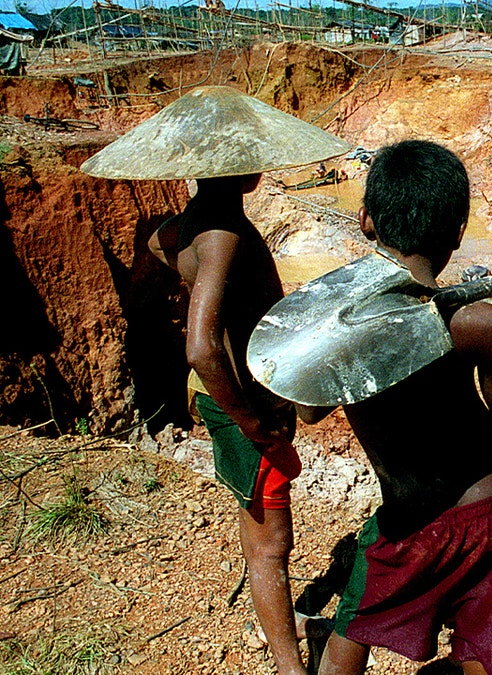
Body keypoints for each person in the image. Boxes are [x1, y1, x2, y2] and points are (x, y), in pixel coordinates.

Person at [305, 140, 492, 675]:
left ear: (365, 220)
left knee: (351, 633)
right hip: (485, 518)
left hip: (404, 522)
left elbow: (308, 410)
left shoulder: (338, 332)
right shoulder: (474, 322)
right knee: (491, 654)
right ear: (458, 233)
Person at [148, 174, 317, 675]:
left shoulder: (196, 222)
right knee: (271, 545)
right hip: (244, 404)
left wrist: (194, 275)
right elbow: (201, 348)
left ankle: (277, 624)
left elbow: (157, 242)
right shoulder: (222, 234)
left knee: (258, 522)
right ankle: (290, 665)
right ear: (238, 169)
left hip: (234, 399)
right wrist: (250, 421)